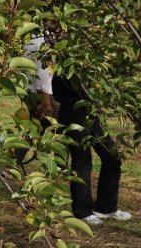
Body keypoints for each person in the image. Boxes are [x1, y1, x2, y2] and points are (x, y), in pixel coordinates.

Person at [26, 35, 131, 226]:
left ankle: (105, 208)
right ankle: (82, 210)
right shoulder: (44, 45)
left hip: (89, 108)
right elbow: (43, 76)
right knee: (82, 160)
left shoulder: (74, 42)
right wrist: (46, 100)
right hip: (71, 108)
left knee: (112, 157)